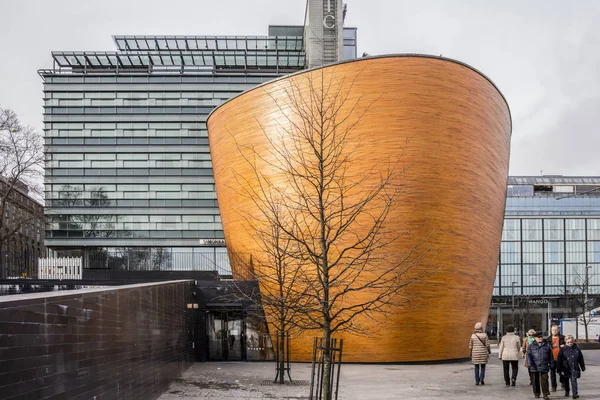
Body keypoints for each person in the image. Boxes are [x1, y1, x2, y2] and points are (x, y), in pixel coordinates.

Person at [557, 335, 586, 399]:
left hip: (574, 367)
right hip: (566, 367)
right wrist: (559, 368)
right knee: (566, 380)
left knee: (574, 380)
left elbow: (581, 358)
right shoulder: (563, 349)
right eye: (568, 342)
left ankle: (575, 394)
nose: (570, 344)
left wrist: (582, 366)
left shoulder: (576, 349)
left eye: (571, 342)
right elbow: (559, 359)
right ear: (565, 341)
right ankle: (567, 390)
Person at [526, 331, 553, 400]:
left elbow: (550, 355)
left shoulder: (547, 345)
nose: (541, 338)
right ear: (535, 338)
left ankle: (545, 394)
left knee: (544, 380)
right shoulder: (531, 346)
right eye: (539, 337)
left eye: (541, 337)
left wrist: (551, 363)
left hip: (544, 364)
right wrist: (530, 363)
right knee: (535, 381)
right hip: (534, 365)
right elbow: (528, 355)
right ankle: (537, 393)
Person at [546, 324, 565, 392]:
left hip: (561, 358)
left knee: (561, 372)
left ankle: (563, 383)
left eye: (556, 330)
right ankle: (553, 387)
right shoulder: (548, 340)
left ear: (558, 330)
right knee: (552, 373)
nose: (555, 331)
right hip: (552, 359)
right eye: (553, 330)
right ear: (551, 331)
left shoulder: (563, 338)